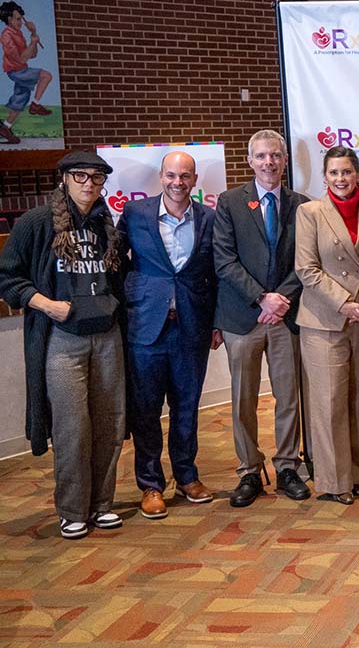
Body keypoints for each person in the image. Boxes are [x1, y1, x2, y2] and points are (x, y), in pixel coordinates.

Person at [0, 151, 124, 539]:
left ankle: (102, 504)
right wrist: (46, 305)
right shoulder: (37, 223)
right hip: (62, 340)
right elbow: (8, 279)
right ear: (65, 179)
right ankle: (72, 510)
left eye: (97, 178)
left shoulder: (106, 223)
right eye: (81, 176)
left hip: (107, 336)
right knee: (72, 428)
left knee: (110, 424)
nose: (90, 184)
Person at [118, 151, 221, 520]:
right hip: (146, 327)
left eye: (185, 176)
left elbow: (217, 272)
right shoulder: (135, 214)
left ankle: (187, 476)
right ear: (161, 177)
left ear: (195, 181)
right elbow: (118, 263)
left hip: (192, 326)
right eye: (171, 176)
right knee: (146, 410)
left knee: (186, 407)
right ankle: (150, 485)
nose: (178, 183)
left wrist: (217, 322)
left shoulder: (209, 218)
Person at [213, 129, 310, 507]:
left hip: (285, 317)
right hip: (243, 317)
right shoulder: (229, 202)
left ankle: (288, 466)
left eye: (275, 156)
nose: (269, 162)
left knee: (288, 396)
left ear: (284, 161)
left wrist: (281, 298)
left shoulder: (302, 204)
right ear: (249, 161)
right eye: (261, 156)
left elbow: (306, 262)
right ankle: (249, 470)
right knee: (243, 399)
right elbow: (223, 259)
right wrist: (261, 297)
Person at [295, 146, 359, 505]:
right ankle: (334, 482)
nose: (341, 179)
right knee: (329, 402)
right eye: (334, 173)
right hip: (325, 320)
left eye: (347, 172)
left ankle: (358, 472)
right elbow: (306, 268)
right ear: (325, 176)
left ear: (357, 175)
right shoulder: (310, 213)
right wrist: (344, 304)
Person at [0, 1, 53, 145]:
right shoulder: (6, 36)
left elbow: (32, 55)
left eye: (21, 19)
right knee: (46, 75)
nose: (21, 22)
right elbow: (21, 57)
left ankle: (5, 127)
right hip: (16, 71)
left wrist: (33, 35)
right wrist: (32, 43)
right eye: (18, 19)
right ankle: (35, 106)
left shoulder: (19, 33)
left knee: (21, 99)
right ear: (9, 19)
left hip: (21, 69)